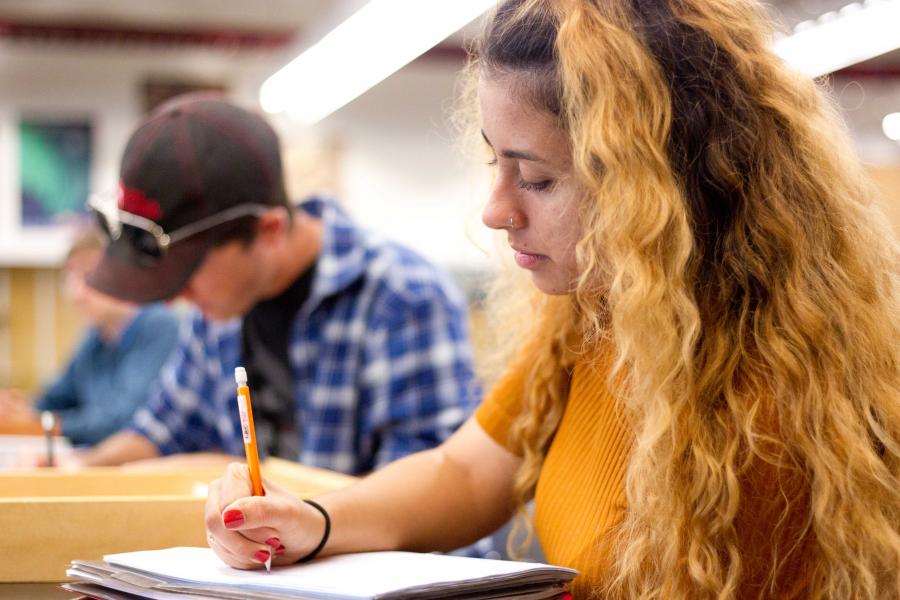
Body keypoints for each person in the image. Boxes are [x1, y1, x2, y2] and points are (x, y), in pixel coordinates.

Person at [204, 0, 900, 598]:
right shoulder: (596, 312)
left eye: (536, 179)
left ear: (651, 189)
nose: (496, 210)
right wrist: (315, 521)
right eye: (494, 162)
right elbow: (468, 469)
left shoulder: (766, 406)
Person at [75, 94, 480, 483]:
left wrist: (244, 480)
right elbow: (158, 433)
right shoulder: (217, 310)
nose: (174, 297)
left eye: (188, 273)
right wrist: (72, 475)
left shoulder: (405, 298)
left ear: (268, 230)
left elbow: (429, 501)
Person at [0, 229, 179, 446]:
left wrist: (41, 423)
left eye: (88, 275)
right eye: (70, 277)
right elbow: (55, 400)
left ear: (127, 274)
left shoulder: (159, 325)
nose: (76, 292)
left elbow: (120, 421)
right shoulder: (97, 335)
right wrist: (19, 409)